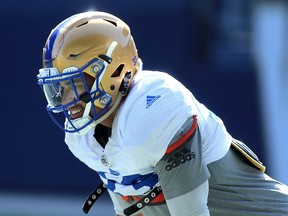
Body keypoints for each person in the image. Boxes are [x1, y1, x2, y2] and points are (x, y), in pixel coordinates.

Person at [37, 11, 288, 216]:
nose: (67, 100)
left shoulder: (154, 110)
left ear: (112, 71)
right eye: (61, 87)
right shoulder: (86, 138)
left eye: (77, 84)